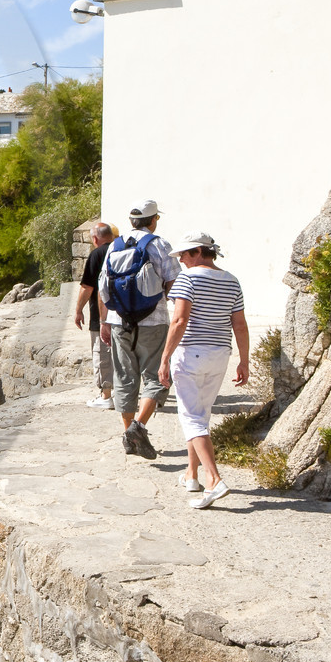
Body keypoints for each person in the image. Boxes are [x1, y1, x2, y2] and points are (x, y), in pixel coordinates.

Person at [159, 232, 248, 509]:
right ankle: (191, 474)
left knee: (191, 418)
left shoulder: (188, 279)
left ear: (199, 251)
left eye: (184, 254)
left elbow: (179, 320)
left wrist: (164, 358)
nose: (181, 260)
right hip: (220, 355)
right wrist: (244, 361)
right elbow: (240, 325)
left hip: (191, 354)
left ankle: (214, 479)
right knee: (200, 415)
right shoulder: (232, 280)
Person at [100, 200, 181, 461]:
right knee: (156, 377)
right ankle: (138, 429)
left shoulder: (115, 244)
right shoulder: (159, 245)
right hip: (153, 321)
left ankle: (129, 434)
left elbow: (104, 287)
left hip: (118, 321)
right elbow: (175, 284)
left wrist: (104, 321)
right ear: (153, 219)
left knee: (124, 377)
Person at [75, 221, 117, 410]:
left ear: (94, 238)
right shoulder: (122, 250)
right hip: (125, 313)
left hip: (101, 314)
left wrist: (78, 310)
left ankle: (106, 396)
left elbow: (88, 287)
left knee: (102, 353)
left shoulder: (97, 254)